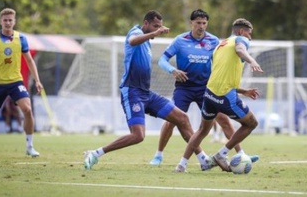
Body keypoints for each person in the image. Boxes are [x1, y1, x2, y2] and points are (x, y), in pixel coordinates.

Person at [83, 10, 213, 170]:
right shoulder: (136, 32)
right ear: (146, 23)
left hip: (146, 93)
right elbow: (132, 41)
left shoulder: (148, 41)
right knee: (138, 136)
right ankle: (95, 153)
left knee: (182, 118)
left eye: (159, 26)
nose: (157, 29)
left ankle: (203, 159)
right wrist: (156, 32)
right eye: (155, 26)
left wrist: (155, 33)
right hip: (132, 92)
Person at [149, 9, 258, 166]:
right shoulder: (180, 40)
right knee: (172, 119)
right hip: (184, 88)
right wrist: (173, 70)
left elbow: (221, 66)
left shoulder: (214, 41)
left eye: (204, 23)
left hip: (206, 89)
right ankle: (158, 155)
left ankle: (240, 153)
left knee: (223, 120)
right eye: (198, 23)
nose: (201, 26)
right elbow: (162, 60)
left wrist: (238, 89)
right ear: (191, 23)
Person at [175, 18, 263, 172]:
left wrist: (243, 91)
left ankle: (181, 165)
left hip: (208, 94)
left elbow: (221, 76)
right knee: (251, 123)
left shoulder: (220, 46)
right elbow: (240, 50)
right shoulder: (240, 40)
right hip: (224, 95)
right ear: (242, 31)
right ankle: (221, 154)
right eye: (249, 34)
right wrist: (252, 61)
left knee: (202, 130)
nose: (250, 37)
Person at [0, 8, 43, 158]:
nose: (7, 22)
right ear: (1, 21)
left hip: (15, 82)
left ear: (14, 22)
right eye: (5, 20)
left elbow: (30, 61)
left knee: (28, 110)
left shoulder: (21, 39)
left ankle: (30, 146)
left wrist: (37, 80)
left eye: (10, 20)